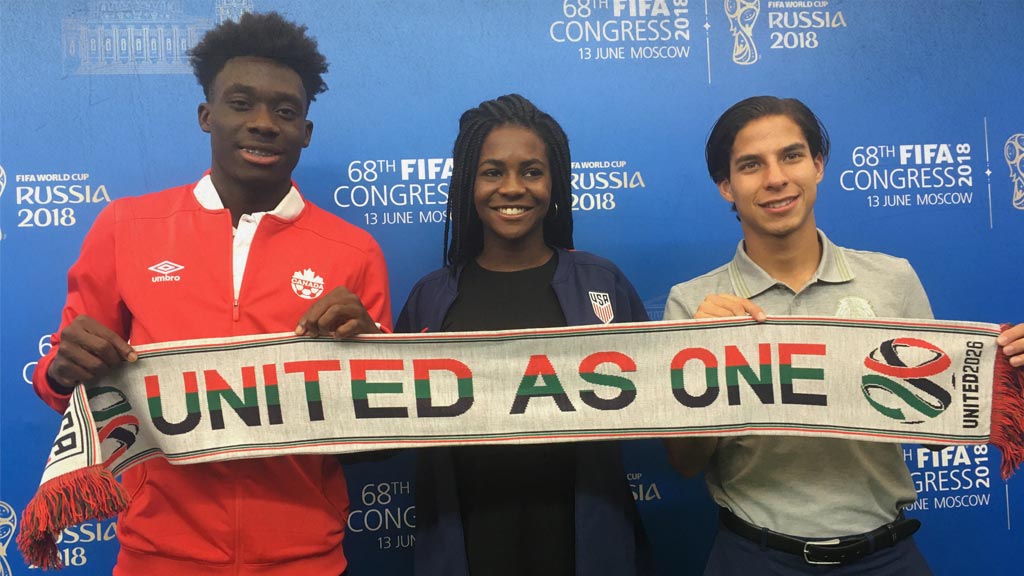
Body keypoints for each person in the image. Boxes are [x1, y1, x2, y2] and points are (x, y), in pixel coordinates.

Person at [32, 12, 391, 576]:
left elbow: (375, 434)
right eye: (241, 103)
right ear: (207, 115)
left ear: (306, 132)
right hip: (157, 555)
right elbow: (61, 387)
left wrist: (373, 360)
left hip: (306, 558)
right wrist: (61, 370)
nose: (264, 123)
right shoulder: (126, 227)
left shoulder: (354, 251)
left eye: (286, 111)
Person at [662, 95, 1024, 574]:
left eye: (791, 156)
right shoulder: (692, 304)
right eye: (751, 165)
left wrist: (1009, 380)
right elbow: (686, 463)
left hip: (885, 555)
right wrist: (702, 353)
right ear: (726, 186)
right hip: (753, 557)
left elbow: (938, 432)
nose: (775, 178)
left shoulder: (892, 279)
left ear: (818, 165)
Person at [396, 94, 653, 576]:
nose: (512, 188)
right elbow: (386, 420)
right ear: (467, 184)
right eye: (492, 172)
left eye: (531, 171)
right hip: (469, 542)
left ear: (553, 182)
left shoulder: (603, 284)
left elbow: (659, 399)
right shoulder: (430, 298)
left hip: (584, 544)